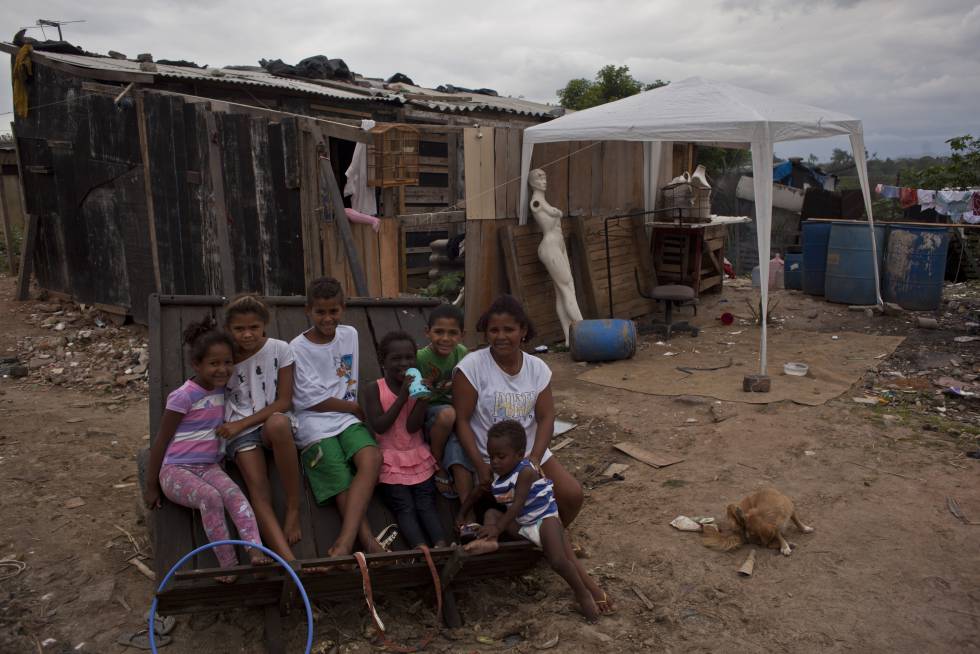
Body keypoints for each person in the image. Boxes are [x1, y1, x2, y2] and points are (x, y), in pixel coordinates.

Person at [143, 319, 269, 580]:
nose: (222, 369)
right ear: (196, 365)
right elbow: (161, 440)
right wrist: (152, 484)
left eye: (227, 362)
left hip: (209, 466)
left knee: (236, 495)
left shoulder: (226, 389)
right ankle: (228, 566)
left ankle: (255, 551)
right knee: (210, 498)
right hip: (176, 469)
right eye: (214, 363)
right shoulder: (183, 396)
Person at [457, 420, 611, 621]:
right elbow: (478, 494)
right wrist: (462, 514)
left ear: (520, 454)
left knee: (558, 561)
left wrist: (498, 528)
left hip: (545, 520)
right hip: (524, 525)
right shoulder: (498, 479)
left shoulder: (526, 471)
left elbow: (518, 504)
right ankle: (491, 543)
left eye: (501, 457)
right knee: (491, 514)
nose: (494, 462)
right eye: (491, 456)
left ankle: (583, 597)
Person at [453, 294, 584, 526]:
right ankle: (531, 537)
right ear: (486, 333)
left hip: (530, 454)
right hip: (493, 458)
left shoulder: (537, 368)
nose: (501, 337)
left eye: (509, 329)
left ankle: (544, 539)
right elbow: (462, 420)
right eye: (494, 330)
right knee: (511, 507)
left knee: (572, 495)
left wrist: (534, 459)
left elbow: (546, 417)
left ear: (523, 330)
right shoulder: (471, 367)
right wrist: (481, 465)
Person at [290, 277, 385, 557]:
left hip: (346, 418)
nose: (328, 318)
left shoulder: (350, 334)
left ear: (342, 308)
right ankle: (360, 541)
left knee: (371, 458)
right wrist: (354, 408)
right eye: (320, 311)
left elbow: (345, 381)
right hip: (313, 422)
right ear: (308, 310)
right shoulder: (297, 347)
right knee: (338, 475)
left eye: (334, 311)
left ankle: (348, 541)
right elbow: (307, 399)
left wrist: (352, 409)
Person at [220, 294, 302, 562]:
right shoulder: (225, 358)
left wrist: (240, 423)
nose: (247, 334)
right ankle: (288, 560)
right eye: (239, 329)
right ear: (229, 330)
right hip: (240, 433)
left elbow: (284, 400)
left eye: (253, 327)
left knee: (279, 422)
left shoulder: (280, 349)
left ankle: (293, 507)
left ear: (264, 325)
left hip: (265, 422)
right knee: (258, 488)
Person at [363, 331, 447, 548]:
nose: (404, 363)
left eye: (409, 358)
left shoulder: (417, 387)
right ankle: (421, 548)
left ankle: (441, 545)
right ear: (383, 362)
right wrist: (402, 396)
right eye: (396, 359)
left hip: (417, 456)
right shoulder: (374, 389)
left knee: (426, 505)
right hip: (390, 461)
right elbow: (380, 425)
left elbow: (412, 427)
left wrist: (421, 400)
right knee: (405, 508)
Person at [416, 304, 472, 504]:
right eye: (439, 332)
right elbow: (413, 394)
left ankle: (464, 488)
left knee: (461, 426)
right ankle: (437, 461)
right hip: (429, 413)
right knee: (449, 415)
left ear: (462, 335)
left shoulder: (462, 354)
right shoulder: (421, 358)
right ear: (427, 333)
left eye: (452, 333)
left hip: (454, 410)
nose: (445, 338)